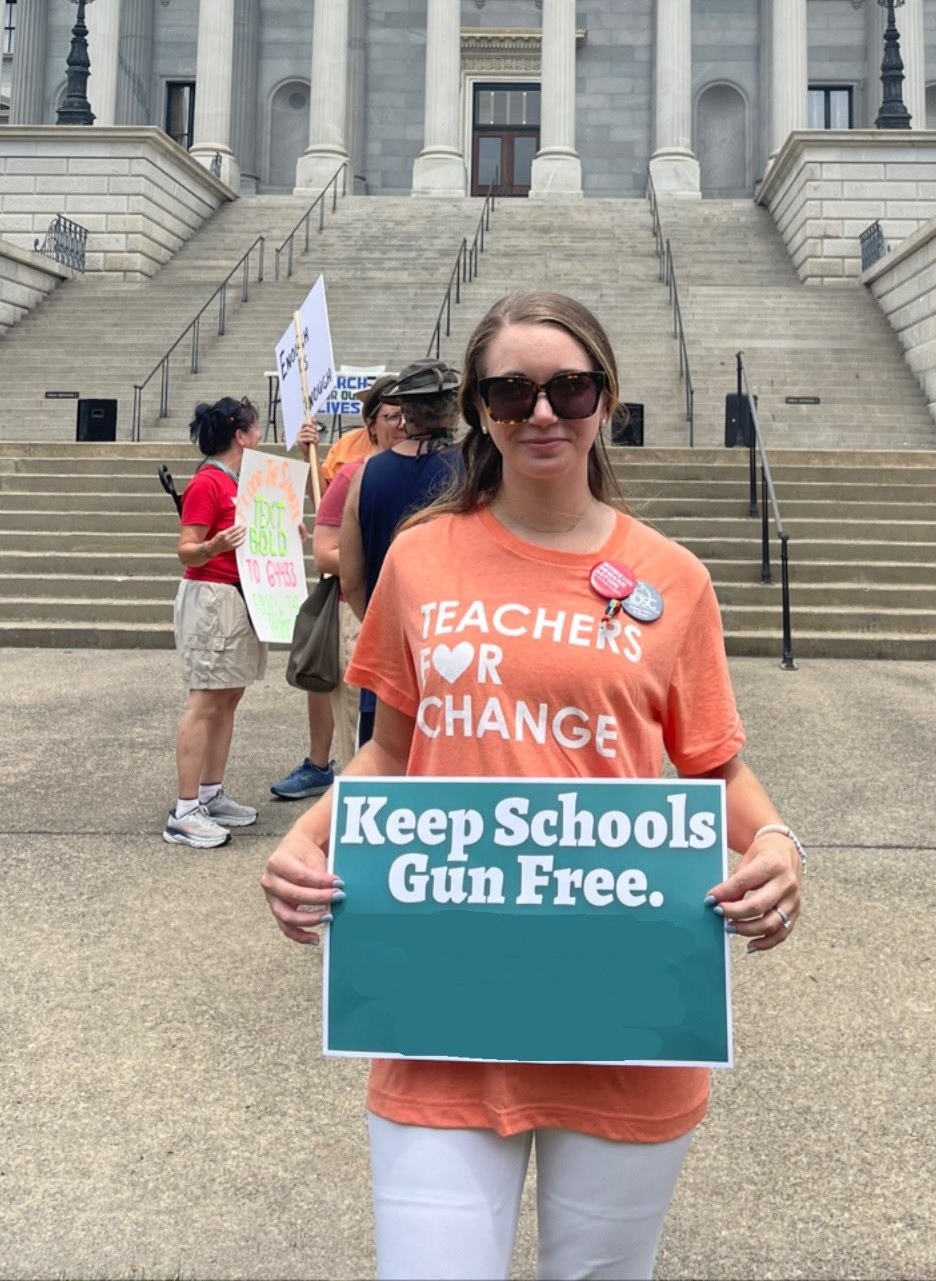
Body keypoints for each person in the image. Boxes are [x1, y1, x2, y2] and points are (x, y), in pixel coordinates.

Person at [261, 295, 804, 1281]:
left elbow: (711, 762)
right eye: (512, 390)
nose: (542, 411)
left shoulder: (670, 577)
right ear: (478, 408)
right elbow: (390, 749)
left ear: (607, 400)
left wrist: (777, 845)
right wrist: (312, 838)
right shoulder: (423, 558)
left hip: (623, 1006)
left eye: (571, 386)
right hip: (441, 995)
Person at [273, 376, 405, 799]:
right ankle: (322, 766)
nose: (402, 422)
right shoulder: (351, 462)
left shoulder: (424, 461)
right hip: (355, 598)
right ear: (371, 422)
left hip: (406, 607)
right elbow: (329, 526)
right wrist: (304, 453)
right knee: (336, 690)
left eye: (408, 412)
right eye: (390, 414)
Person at [337, 357, 463, 747]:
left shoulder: (365, 474)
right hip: (462, 649)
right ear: (455, 408)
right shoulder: (478, 469)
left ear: (405, 410)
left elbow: (352, 578)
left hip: (391, 653)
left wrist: (381, 625)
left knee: (383, 764)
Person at [164, 396, 266, 850]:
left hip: (237, 595)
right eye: (256, 429)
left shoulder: (239, 481)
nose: (260, 435)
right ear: (240, 435)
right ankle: (185, 811)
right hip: (211, 596)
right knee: (205, 699)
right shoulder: (208, 482)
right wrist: (214, 545)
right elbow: (187, 547)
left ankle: (210, 791)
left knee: (227, 695)